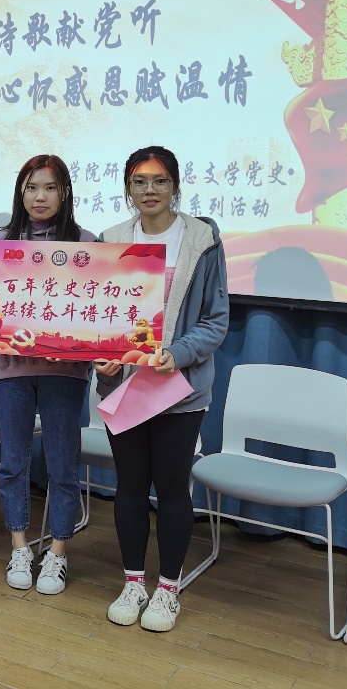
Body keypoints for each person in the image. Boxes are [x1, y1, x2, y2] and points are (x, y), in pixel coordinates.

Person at [93, 145, 229, 633]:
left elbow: (216, 320)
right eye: (139, 181)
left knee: (172, 489)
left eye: (159, 181)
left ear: (175, 186)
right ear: (128, 188)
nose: (149, 190)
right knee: (129, 487)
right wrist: (102, 354)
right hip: (124, 387)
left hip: (178, 390)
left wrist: (179, 352)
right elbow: (100, 312)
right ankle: (133, 582)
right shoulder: (111, 240)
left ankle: (168, 588)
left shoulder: (202, 241)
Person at [0, 155, 94, 595]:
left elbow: (99, 309)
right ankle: (20, 546)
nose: (40, 197)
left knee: (62, 466)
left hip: (66, 372)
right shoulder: (2, 243)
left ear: (65, 193)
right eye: (31, 187)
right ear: (20, 193)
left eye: (50, 188)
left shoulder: (86, 243)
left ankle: (58, 552)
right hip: (11, 368)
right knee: (13, 463)